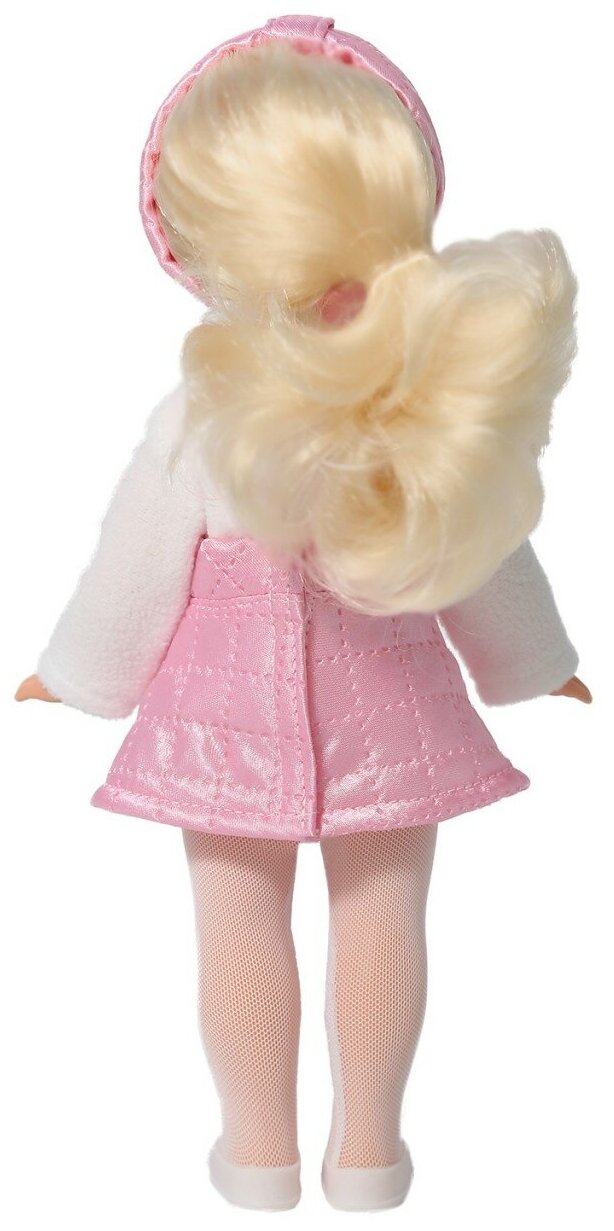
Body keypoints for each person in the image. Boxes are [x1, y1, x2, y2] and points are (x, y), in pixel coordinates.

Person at [15, 15, 591, 1213]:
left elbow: (474, 536)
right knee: (279, 922)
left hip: (327, 705)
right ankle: (278, 1154)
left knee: (356, 922)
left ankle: (342, 1151)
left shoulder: (394, 397)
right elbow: (141, 556)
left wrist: (534, 661)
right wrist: (79, 671)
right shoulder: (220, 404)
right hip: (268, 715)